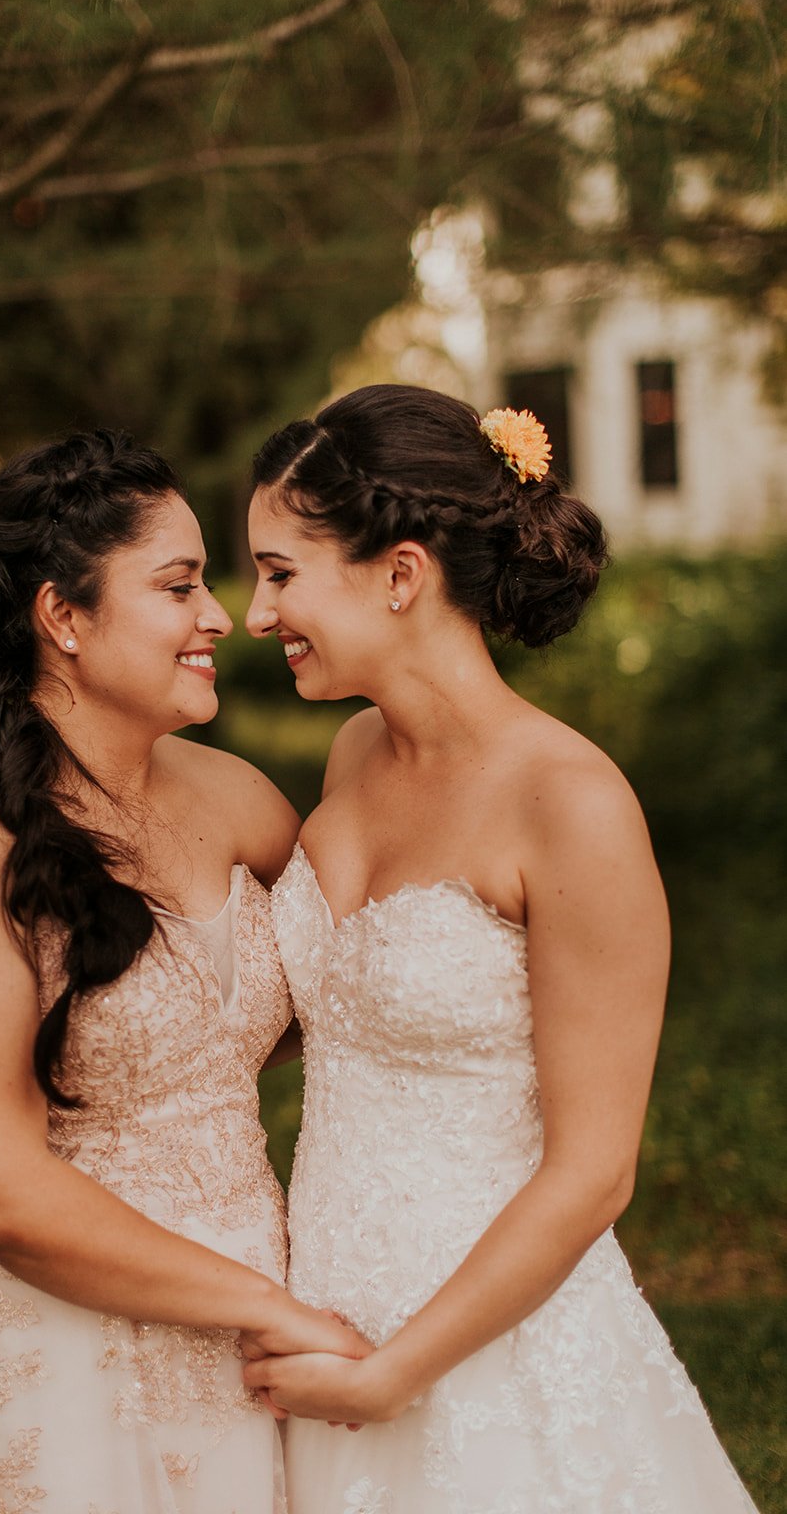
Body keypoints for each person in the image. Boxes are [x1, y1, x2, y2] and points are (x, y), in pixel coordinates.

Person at [0, 427, 366, 1514]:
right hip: (43, 1342)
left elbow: (337, 995)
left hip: (254, 1294)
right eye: (179, 585)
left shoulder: (232, 796)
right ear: (62, 615)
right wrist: (263, 1305)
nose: (216, 618)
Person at [243, 385, 760, 1513]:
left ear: (398, 573)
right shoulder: (350, 755)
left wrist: (394, 1374)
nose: (251, 612)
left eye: (279, 573)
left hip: (482, 1347)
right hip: (322, 1305)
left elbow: (592, 1172)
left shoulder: (569, 803)